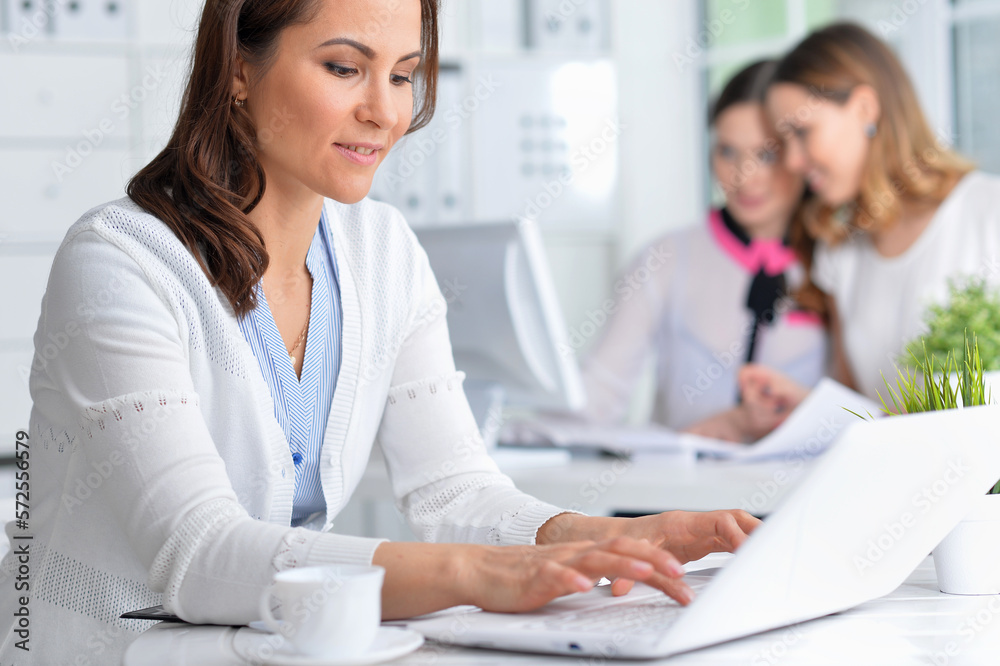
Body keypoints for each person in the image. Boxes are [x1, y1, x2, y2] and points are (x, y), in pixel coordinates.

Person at [0, 0, 758, 662]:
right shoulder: (122, 262)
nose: (386, 112)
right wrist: (477, 575)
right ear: (237, 69)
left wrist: (592, 535)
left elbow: (453, 488)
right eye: (343, 68)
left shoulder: (383, 250)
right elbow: (198, 554)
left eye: (403, 75)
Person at [739, 22, 1000, 422]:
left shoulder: (988, 213)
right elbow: (868, 417)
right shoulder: (839, 251)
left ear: (865, 108)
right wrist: (807, 408)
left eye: (802, 133)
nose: (792, 161)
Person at [578, 60, 828, 443]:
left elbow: (860, 415)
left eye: (766, 155)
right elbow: (595, 400)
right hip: (681, 480)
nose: (744, 175)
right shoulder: (664, 258)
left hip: (807, 481)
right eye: (727, 151)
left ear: (800, 155)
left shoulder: (838, 263)